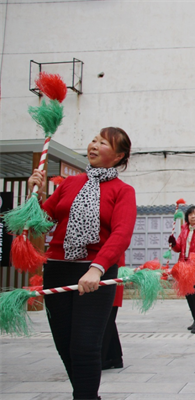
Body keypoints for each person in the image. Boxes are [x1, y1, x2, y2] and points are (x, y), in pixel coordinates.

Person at [28, 127, 136, 400]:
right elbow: (40, 222)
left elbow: (121, 234)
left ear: (119, 155)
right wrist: (36, 195)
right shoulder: (69, 183)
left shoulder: (123, 191)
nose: (94, 145)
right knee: (64, 344)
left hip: (96, 272)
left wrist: (96, 268)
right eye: (94, 140)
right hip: (58, 268)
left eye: (103, 143)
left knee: (86, 346)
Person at [169, 206, 195, 334]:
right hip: (184, 266)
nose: (193, 217)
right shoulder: (184, 229)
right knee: (188, 294)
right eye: (190, 214)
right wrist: (173, 243)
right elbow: (178, 248)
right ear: (187, 217)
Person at [101, 281, 124, 370]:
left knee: (105, 323)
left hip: (107, 284)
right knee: (108, 323)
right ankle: (114, 357)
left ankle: (103, 358)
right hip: (109, 284)